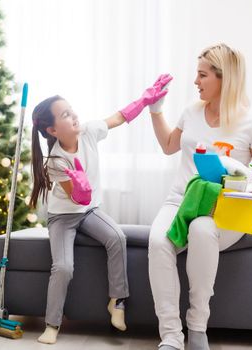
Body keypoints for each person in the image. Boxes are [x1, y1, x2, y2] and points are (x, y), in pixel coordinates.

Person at [147, 43, 252, 350]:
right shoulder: (191, 112)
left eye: (202, 75)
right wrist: (155, 110)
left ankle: (197, 327)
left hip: (227, 208)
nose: (196, 81)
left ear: (224, 78)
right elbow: (168, 146)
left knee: (202, 229)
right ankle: (171, 336)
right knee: (157, 242)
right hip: (182, 200)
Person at [29, 74, 172, 344]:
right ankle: (52, 324)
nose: (74, 116)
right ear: (52, 131)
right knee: (63, 268)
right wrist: (80, 187)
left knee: (117, 237)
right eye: (66, 115)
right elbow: (76, 200)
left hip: (89, 212)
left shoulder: (89, 132)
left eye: (72, 110)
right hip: (62, 217)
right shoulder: (55, 162)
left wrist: (144, 100)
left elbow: (118, 118)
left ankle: (117, 302)